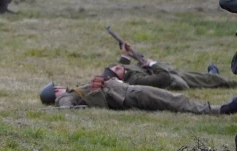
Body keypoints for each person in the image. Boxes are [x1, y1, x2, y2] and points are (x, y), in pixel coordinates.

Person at [39, 76, 237, 115]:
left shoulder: (73, 94)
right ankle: (219, 110)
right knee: (175, 101)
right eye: (56, 87)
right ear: (55, 93)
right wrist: (98, 91)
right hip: (131, 95)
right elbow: (66, 112)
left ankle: (218, 108)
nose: (60, 86)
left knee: (173, 100)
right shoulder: (64, 98)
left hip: (129, 92)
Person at [105, 42, 237, 90]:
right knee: (201, 80)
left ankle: (212, 76)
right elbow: (164, 77)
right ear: (119, 79)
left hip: (172, 72)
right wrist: (152, 64)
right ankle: (222, 80)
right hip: (173, 79)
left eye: (114, 67)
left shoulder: (124, 72)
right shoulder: (136, 81)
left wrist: (126, 54)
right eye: (115, 71)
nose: (116, 67)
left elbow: (122, 66)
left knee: (198, 76)